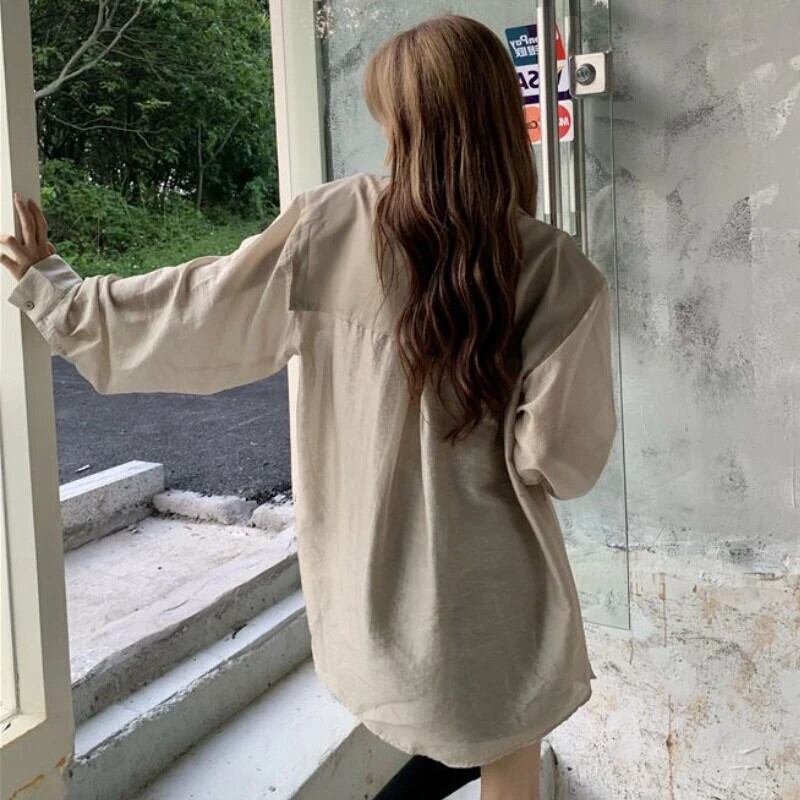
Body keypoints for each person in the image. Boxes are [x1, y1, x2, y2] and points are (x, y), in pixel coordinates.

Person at [1, 13, 616, 800]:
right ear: (500, 118)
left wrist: (62, 297)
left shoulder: (333, 224)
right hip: (495, 601)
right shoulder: (558, 272)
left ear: (408, 126)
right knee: (509, 748)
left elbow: (195, 310)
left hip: (372, 599)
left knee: (449, 736)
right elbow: (560, 463)